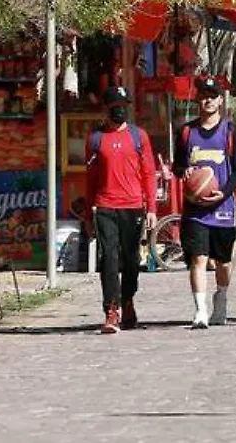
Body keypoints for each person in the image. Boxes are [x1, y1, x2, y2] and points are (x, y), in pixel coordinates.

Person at [173, 77, 236, 329]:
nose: (208, 100)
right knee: (198, 258)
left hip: (222, 208)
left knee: (223, 262)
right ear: (198, 99)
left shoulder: (230, 131)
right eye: (204, 95)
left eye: (213, 96)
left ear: (220, 100)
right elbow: (178, 165)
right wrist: (183, 171)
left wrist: (224, 193)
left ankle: (221, 297)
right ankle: (200, 310)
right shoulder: (187, 132)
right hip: (195, 210)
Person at [84, 86, 158, 334]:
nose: (119, 111)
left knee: (131, 259)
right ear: (106, 109)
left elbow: (149, 173)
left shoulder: (139, 137)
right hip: (106, 206)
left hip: (133, 206)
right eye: (115, 107)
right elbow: (90, 179)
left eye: (123, 106)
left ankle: (128, 301)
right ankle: (111, 309)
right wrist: (88, 215)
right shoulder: (95, 139)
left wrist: (151, 208)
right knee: (109, 258)